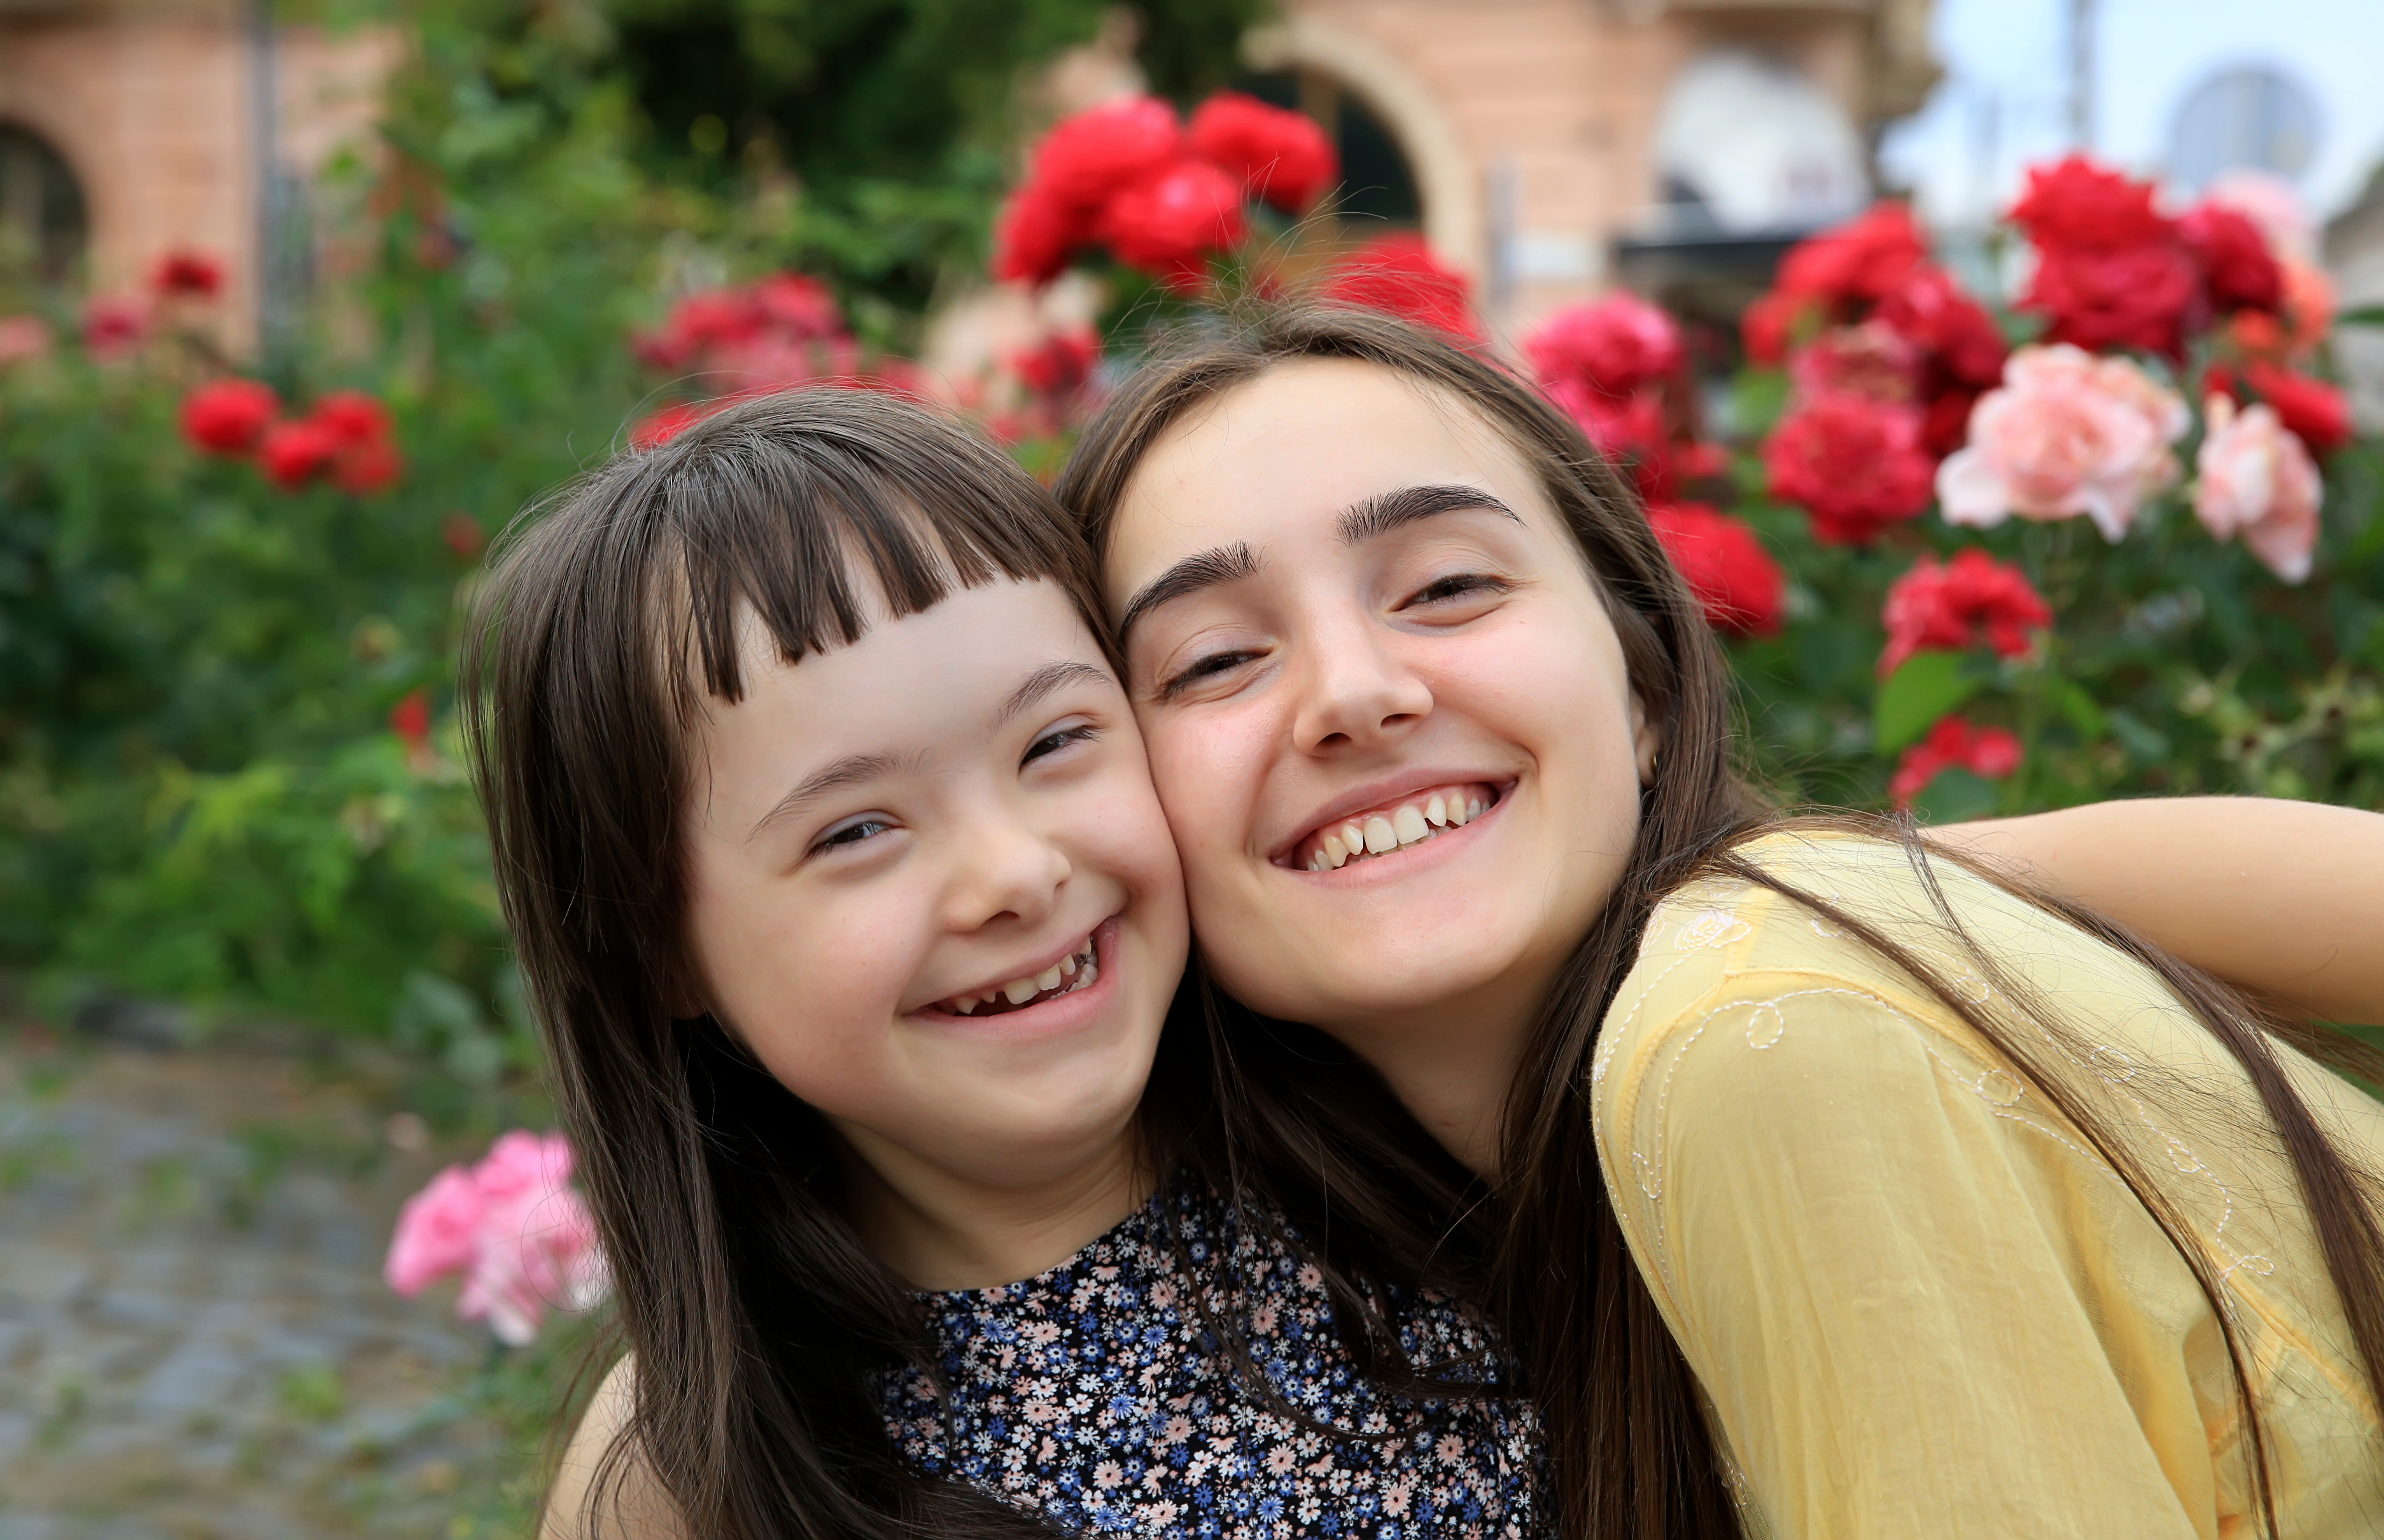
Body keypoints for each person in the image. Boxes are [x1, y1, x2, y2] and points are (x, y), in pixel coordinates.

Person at [1056, 304, 2384, 1539]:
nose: (1353, 691)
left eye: (1450, 586)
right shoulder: (1790, 969)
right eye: (1216, 660)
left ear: (1642, 694)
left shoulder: (1756, 1029)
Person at [473, 391, 1539, 1540]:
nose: (1015, 876)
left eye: (1055, 743)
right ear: (656, 954)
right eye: (857, 831)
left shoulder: (1433, 1153)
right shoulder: (689, 1485)